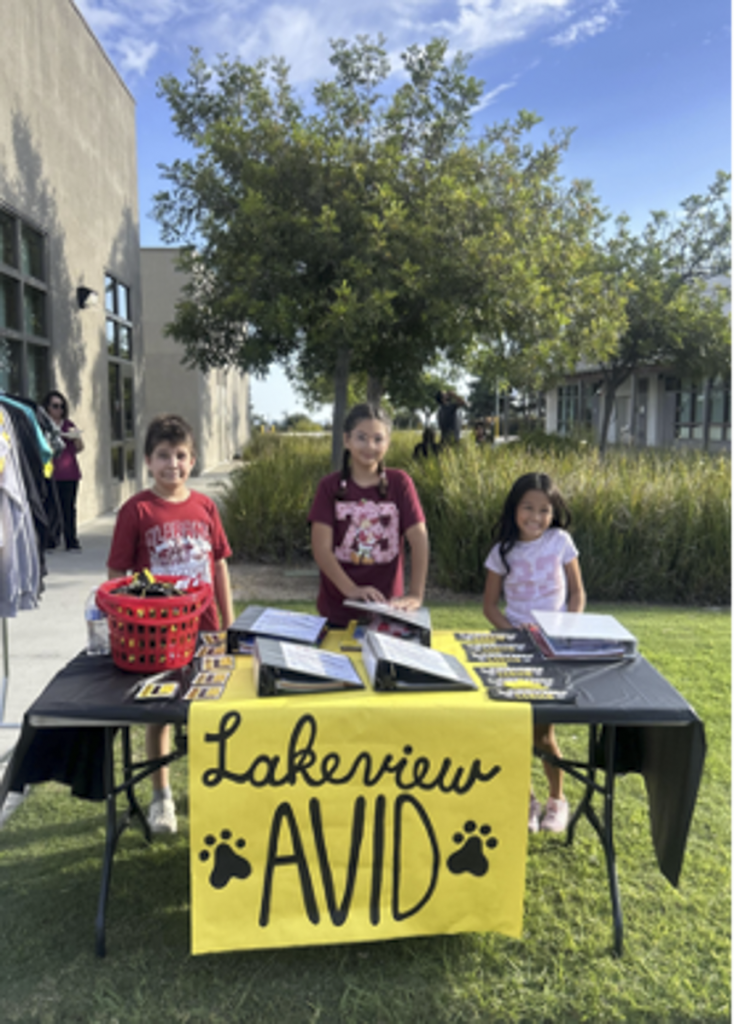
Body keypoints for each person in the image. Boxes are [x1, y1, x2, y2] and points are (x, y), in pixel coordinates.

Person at [107, 414, 234, 834]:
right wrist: (125, 621)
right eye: (163, 455)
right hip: (157, 636)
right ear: (148, 460)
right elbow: (117, 574)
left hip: (205, 629)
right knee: (159, 713)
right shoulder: (136, 510)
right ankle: (161, 796)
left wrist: (229, 622)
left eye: (180, 455)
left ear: (193, 460)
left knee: (211, 712)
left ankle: (212, 789)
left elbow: (219, 565)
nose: (172, 464)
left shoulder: (205, 507)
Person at [483, 472, 586, 834]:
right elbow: (490, 607)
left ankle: (557, 800)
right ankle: (526, 800)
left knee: (543, 733)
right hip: (515, 650)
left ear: (553, 513)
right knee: (515, 731)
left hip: (552, 650)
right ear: (514, 509)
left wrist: (566, 629)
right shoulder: (501, 552)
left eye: (544, 510)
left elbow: (577, 593)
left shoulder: (561, 541)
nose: (536, 516)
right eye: (528, 507)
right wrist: (514, 633)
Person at [309, 403, 429, 628]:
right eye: (361, 438)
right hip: (337, 613)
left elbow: (419, 539)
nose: (370, 446)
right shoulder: (329, 487)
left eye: (378, 439)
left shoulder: (400, 483)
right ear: (347, 440)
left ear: (388, 442)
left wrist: (415, 594)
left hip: (389, 611)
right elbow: (321, 549)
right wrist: (352, 590)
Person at [43, 390, 84, 551]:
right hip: (50, 472)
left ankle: (71, 540)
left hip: (69, 473)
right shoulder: (44, 426)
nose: (58, 410)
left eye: (61, 406)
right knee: (51, 507)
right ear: (47, 407)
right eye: (55, 406)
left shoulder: (68, 425)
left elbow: (80, 447)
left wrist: (75, 438)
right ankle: (51, 540)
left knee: (69, 507)